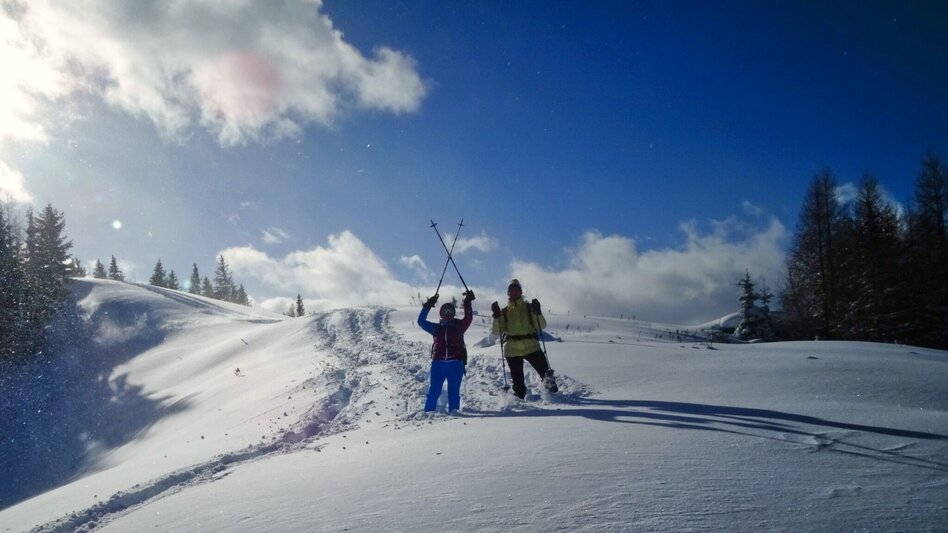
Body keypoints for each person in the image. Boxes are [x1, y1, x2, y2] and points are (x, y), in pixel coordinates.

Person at [491, 279, 558, 399]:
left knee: (546, 375)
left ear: (521, 291)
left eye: (516, 289)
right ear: (508, 293)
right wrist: (496, 317)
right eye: (511, 290)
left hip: (531, 346)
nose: (513, 292)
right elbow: (497, 331)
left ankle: (554, 396)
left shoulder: (529, 307)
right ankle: (520, 399)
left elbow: (541, 326)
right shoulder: (504, 312)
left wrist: (537, 312)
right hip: (512, 350)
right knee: (518, 383)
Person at [417, 290, 475, 413]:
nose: (447, 313)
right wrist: (427, 306)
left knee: (454, 393)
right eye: (445, 311)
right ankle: (427, 415)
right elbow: (421, 322)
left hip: (455, 364)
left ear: (453, 313)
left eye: (450, 311)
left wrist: (467, 302)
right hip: (438, 364)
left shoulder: (459, 326)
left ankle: (454, 418)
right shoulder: (436, 328)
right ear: (441, 314)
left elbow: (468, 318)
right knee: (434, 392)